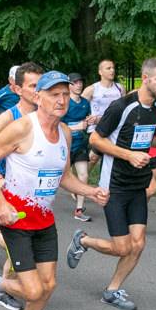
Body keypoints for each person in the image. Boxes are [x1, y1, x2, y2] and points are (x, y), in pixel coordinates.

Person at [0, 71, 107, 310]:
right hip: (16, 218)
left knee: (49, 286)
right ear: (39, 98)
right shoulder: (22, 128)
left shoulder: (65, 133)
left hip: (44, 220)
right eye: (54, 94)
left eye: (65, 94)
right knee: (33, 290)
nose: (61, 100)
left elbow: (64, 177)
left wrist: (90, 190)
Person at [66, 58, 156, 310]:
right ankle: (84, 241)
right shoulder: (122, 106)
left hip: (139, 184)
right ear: (145, 78)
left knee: (138, 243)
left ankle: (112, 290)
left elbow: (152, 137)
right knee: (122, 246)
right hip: (114, 184)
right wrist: (128, 155)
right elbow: (95, 139)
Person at [0, 62, 43, 270]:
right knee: (22, 247)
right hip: (9, 188)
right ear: (18, 89)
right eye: (33, 86)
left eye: (41, 85)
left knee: (26, 244)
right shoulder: (9, 117)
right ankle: (3, 286)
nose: (38, 91)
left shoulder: (45, 116)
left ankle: (2, 285)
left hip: (34, 190)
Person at [62, 73, 93, 221]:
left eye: (80, 82)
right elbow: (57, 125)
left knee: (84, 175)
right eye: (75, 82)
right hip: (65, 145)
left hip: (80, 144)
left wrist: (90, 121)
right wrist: (75, 127)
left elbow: (86, 124)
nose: (79, 85)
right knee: (60, 177)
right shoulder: (63, 102)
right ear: (69, 85)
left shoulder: (86, 103)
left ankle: (79, 210)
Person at [81, 59, 123, 169]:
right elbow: (79, 108)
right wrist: (88, 119)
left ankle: (105, 182)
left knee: (111, 158)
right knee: (93, 158)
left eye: (113, 68)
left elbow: (124, 109)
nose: (112, 70)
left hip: (115, 129)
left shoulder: (120, 88)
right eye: (108, 68)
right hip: (97, 129)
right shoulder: (92, 89)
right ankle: (78, 180)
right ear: (100, 72)